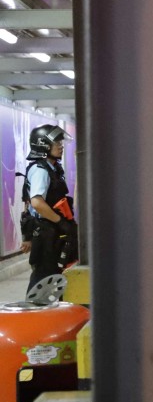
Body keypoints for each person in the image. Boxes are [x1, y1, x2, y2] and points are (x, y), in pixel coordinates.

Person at [23, 124, 76, 295]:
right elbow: (37, 203)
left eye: (61, 142)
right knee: (43, 278)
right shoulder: (40, 170)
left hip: (52, 230)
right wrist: (61, 222)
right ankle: (32, 315)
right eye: (56, 142)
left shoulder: (52, 168)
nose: (60, 146)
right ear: (43, 145)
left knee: (56, 274)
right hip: (46, 233)